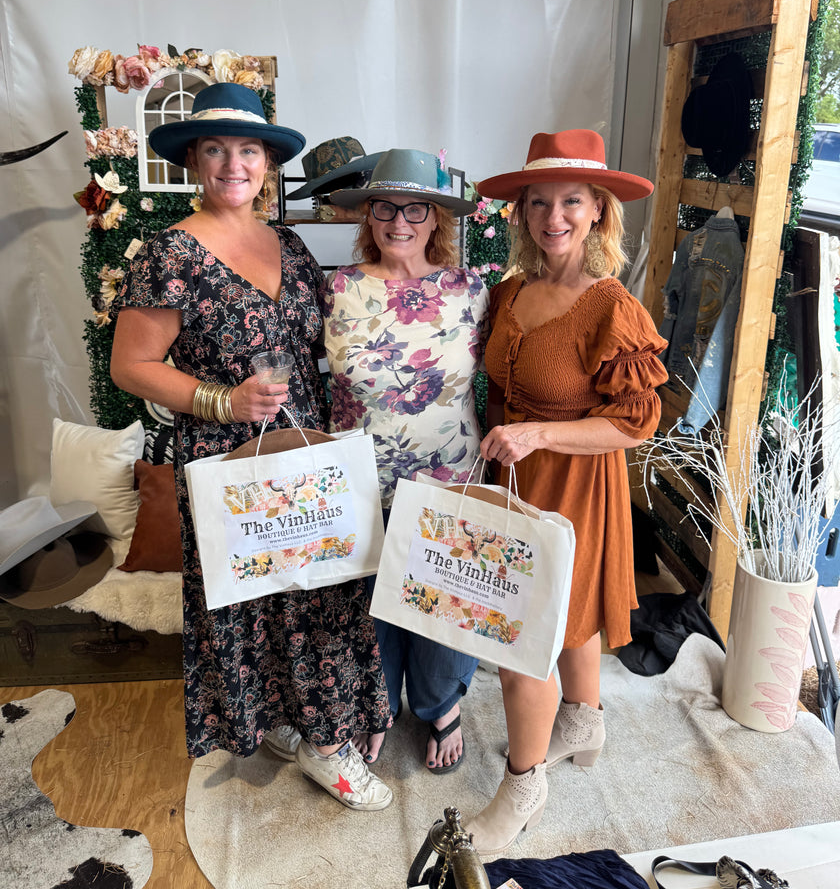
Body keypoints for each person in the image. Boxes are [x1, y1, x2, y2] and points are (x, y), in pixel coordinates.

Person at [110, 82, 393, 812]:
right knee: (256, 596)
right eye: (215, 149)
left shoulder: (289, 245)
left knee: (322, 589)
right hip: (225, 455)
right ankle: (316, 742)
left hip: (303, 450)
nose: (233, 164)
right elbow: (130, 365)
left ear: (266, 163)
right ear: (194, 162)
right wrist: (222, 400)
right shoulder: (169, 254)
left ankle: (318, 732)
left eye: (247, 150)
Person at [463, 129, 668, 854]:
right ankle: (583, 721)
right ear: (520, 213)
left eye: (572, 201)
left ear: (599, 210)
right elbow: (495, 390)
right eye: (539, 202)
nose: (554, 217)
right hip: (514, 477)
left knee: (523, 636)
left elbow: (636, 421)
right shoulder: (510, 293)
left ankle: (522, 787)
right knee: (563, 615)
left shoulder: (610, 307)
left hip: (577, 479)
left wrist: (539, 435)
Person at [324, 148, 488, 772]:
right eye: (385, 207)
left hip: (449, 473)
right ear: (367, 214)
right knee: (370, 600)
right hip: (357, 475)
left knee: (444, 597)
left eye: (415, 208)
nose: (399, 221)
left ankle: (439, 702)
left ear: (435, 216)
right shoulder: (338, 288)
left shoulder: (471, 291)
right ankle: (377, 703)